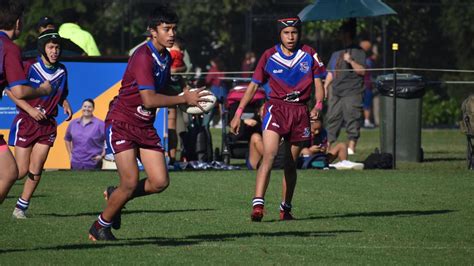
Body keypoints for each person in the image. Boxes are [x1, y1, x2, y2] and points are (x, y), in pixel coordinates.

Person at [88, 5, 209, 241]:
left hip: (144, 125)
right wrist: (184, 99)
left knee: (160, 181)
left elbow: (162, 87)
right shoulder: (143, 56)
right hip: (122, 122)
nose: (172, 33)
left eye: (174, 28)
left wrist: (185, 95)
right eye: (166, 29)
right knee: (131, 181)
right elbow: (149, 98)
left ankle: (116, 195)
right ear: (152, 31)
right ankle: (99, 226)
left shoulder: (164, 56)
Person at [230, 16, 326, 221]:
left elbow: (319, 84)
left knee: (290, 164)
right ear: (279, 34)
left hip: (300, 112)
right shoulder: (269, 56)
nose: (290, 37)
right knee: (270, 154)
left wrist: (318, 105)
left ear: (299, 34)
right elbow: (254, 86)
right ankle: (258, 205)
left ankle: (286, 208)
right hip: (276, 109)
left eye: (294, 32)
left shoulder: (310, 54)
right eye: (286, 33)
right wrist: (238, 112)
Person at [8, 29, 72, 218]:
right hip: (26, 122)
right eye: (51, 47)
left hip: (47, 125)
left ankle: (21, 208)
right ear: (42, 49)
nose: (55, 51)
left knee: (37, 167)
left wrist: (65, 103)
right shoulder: (28, 67)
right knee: (19, 171)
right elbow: (12, 92)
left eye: (57, 47)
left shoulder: (62, 70)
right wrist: (30, 110)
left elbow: (63, 94)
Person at [0, 0, 52, 204]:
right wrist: (43, 90)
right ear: (18, 22)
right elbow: (19, 90)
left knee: (11, 171)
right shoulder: (9, 48)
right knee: (10, 172)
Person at [324, 19, 366, 155]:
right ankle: (328, 146)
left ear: (347, 33)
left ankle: (351, 147)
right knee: (332, 118)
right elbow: (331, 71)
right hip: (336, 91)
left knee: (352, 118)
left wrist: (350, 60)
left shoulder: (358, 51)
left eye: (341, 32)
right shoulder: (336, 52)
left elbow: (362, 71)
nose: (338, 34)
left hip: (352, 91)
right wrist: (325, 86)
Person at [65, 98, 105, 170]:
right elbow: (67, 139)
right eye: (85, 106)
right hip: (75, 163)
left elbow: (108, 140)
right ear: (81, 107)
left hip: (93, 164)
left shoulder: (100, 124)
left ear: (93, 109)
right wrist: (70, 154)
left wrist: (102, 155)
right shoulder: (73, 123)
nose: (87, 109)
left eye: (89, 107)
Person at [165, 37, 187, 165]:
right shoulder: (168, 54)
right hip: (163, 93)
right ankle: (169, 157)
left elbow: (178, 71)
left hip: (172, 93)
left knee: (171, 128)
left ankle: (171, 157)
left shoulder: (174, 53)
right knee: (168, 128)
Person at [359, 39, 377, 128]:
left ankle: (366, 121)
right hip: (358, 84)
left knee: (367, 104)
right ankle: (361, 121)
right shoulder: (358, 58)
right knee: (359, 104)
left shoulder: (369, 59)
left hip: (367, 84)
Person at [205, 57, 226, 128]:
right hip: (222, 89)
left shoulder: (213, 69)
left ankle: (210, 120)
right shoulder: (222, 68)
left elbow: (208, 80)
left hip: (215, 89)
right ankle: (222, 122)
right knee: (221, 107)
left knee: (211, 105)